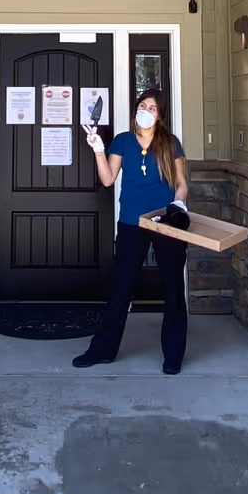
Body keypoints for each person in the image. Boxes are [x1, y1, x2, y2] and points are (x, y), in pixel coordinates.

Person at [74, 88, 191, 374]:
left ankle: (173, 356)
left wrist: (178, 204)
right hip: (131, 223)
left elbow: (182, 183)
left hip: (165, 223)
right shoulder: (123, 141)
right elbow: (108, 179)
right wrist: (98, 150)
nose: (147, 111)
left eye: (153, 108)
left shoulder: (170, 143)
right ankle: (102, 350)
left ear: (160, 115)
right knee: (120, 288)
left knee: (174, 289)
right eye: (143, 105)